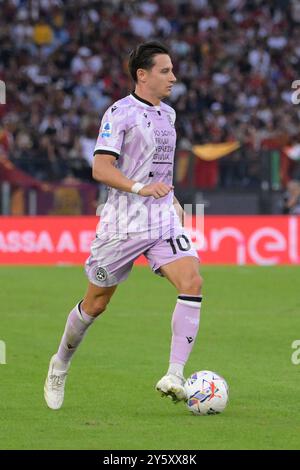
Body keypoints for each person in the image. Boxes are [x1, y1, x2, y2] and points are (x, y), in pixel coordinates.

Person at [44, 41, 203, 410]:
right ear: (142, 75)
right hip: (123, 221)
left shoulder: (170, 115)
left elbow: (159, 169)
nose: (173, 77)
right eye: (165, 71)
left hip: (161, 216)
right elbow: (100, 168)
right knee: (96, 304)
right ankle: (60, 363)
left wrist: (173, 202)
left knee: (192, 281)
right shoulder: (119, 114)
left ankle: (175, 375)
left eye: (172, 70)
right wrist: (139, 188)